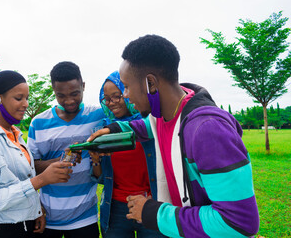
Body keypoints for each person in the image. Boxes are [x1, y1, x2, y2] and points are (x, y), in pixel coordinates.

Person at [88, 35, 260, 238]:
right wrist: (113, 130)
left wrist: (154, 213)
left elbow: (238, 222)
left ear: (150, 83)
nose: (125, 95)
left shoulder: (208, 131)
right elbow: (142, 127)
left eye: (126, 86)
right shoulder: (163, 116)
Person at [0, 70, 73, 238]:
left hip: (26, 226)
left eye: (27, 98)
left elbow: (20, 178)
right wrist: (41, 180)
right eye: (18, 98)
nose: (26, 104)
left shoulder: (17, 135)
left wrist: (36, 210)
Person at [27, 61, 104, 238]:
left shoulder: (98, 116)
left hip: (85, 219)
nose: (69, 101)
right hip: (48, 218)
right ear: (54, 91)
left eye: (75, 93)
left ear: (83, 86)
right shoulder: (38, 123)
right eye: (61, 96)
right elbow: (30, 167)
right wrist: (59, 161)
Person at [90, 71, 166, 238]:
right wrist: (96, 161)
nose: (111, 103)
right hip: (116, 208)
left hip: (150, 203)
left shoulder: (150, 124)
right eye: (107, 99)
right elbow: (102, 178)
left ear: (127, 93)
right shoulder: (103, 130)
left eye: (117, 96)